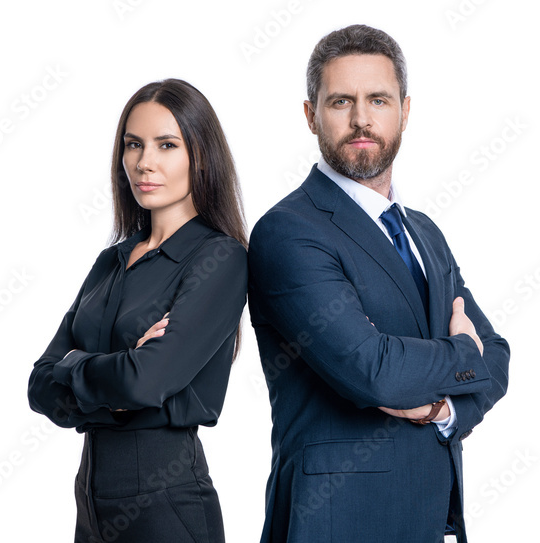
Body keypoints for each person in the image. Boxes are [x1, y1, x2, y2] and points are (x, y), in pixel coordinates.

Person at [248, 24, 511, 542]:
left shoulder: (424, 233)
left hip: (428, 519)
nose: (362, 119)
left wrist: (441, 408)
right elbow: (373, 371)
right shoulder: (288, 232)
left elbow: (497, 358)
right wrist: (461, 350)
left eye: (379, 100)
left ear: (405, 112)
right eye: (341, 101)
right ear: (310, 115)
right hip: (335, 520)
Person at [27, 78, 247, 543]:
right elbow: (39, 385)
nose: (144, 163)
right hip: (90, 498)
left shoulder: (220, 258)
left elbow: (146, 380)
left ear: (200, 155)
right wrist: (115, 381)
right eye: (133, 145)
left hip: (166, 500)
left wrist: (79, 371)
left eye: (167, 145)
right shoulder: (111, 260)